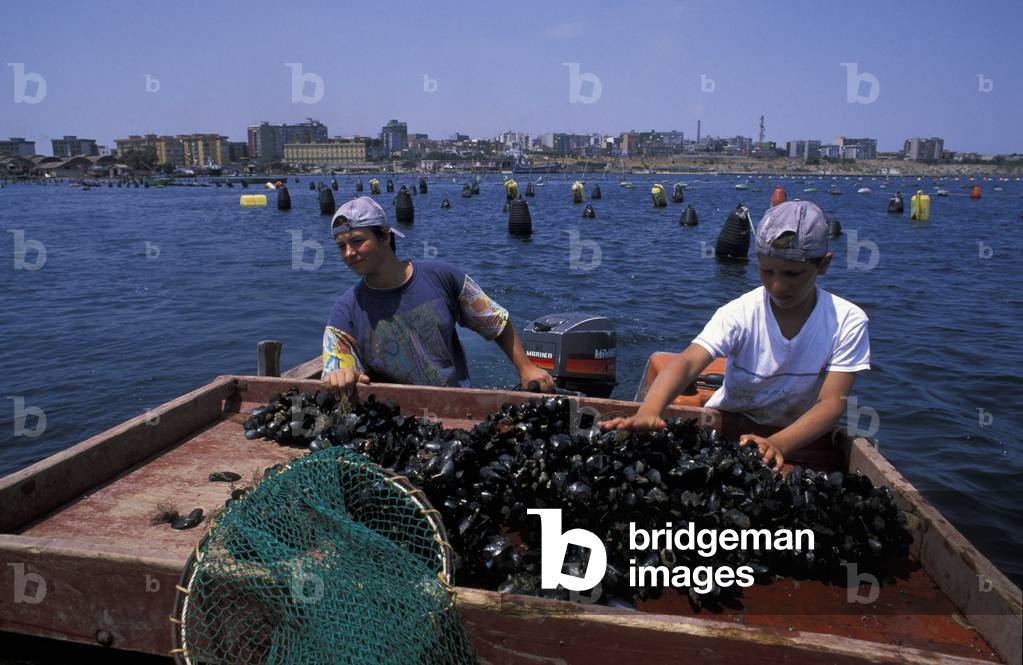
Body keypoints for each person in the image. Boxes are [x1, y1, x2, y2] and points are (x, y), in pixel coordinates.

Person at [601, 200, 870, 471]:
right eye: (767, 271)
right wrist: (649, 411)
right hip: (727, 423)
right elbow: (686, 363)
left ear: (823, 265)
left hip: (795, 437)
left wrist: (777, 444)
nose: (777, 285)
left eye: (792, 274)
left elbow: (832, 402)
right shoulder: (740, 312)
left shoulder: (847, 321)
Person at [322, 196, 554, 392]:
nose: (349, 253)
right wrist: (340, 375)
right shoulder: (346, 310)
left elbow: (495, 321)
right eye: (341, 246)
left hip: (455, 403)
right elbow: (336, 369)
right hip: (392, 416)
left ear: (385, 236)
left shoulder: (442, 277)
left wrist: (525, 367)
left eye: (357, 241)